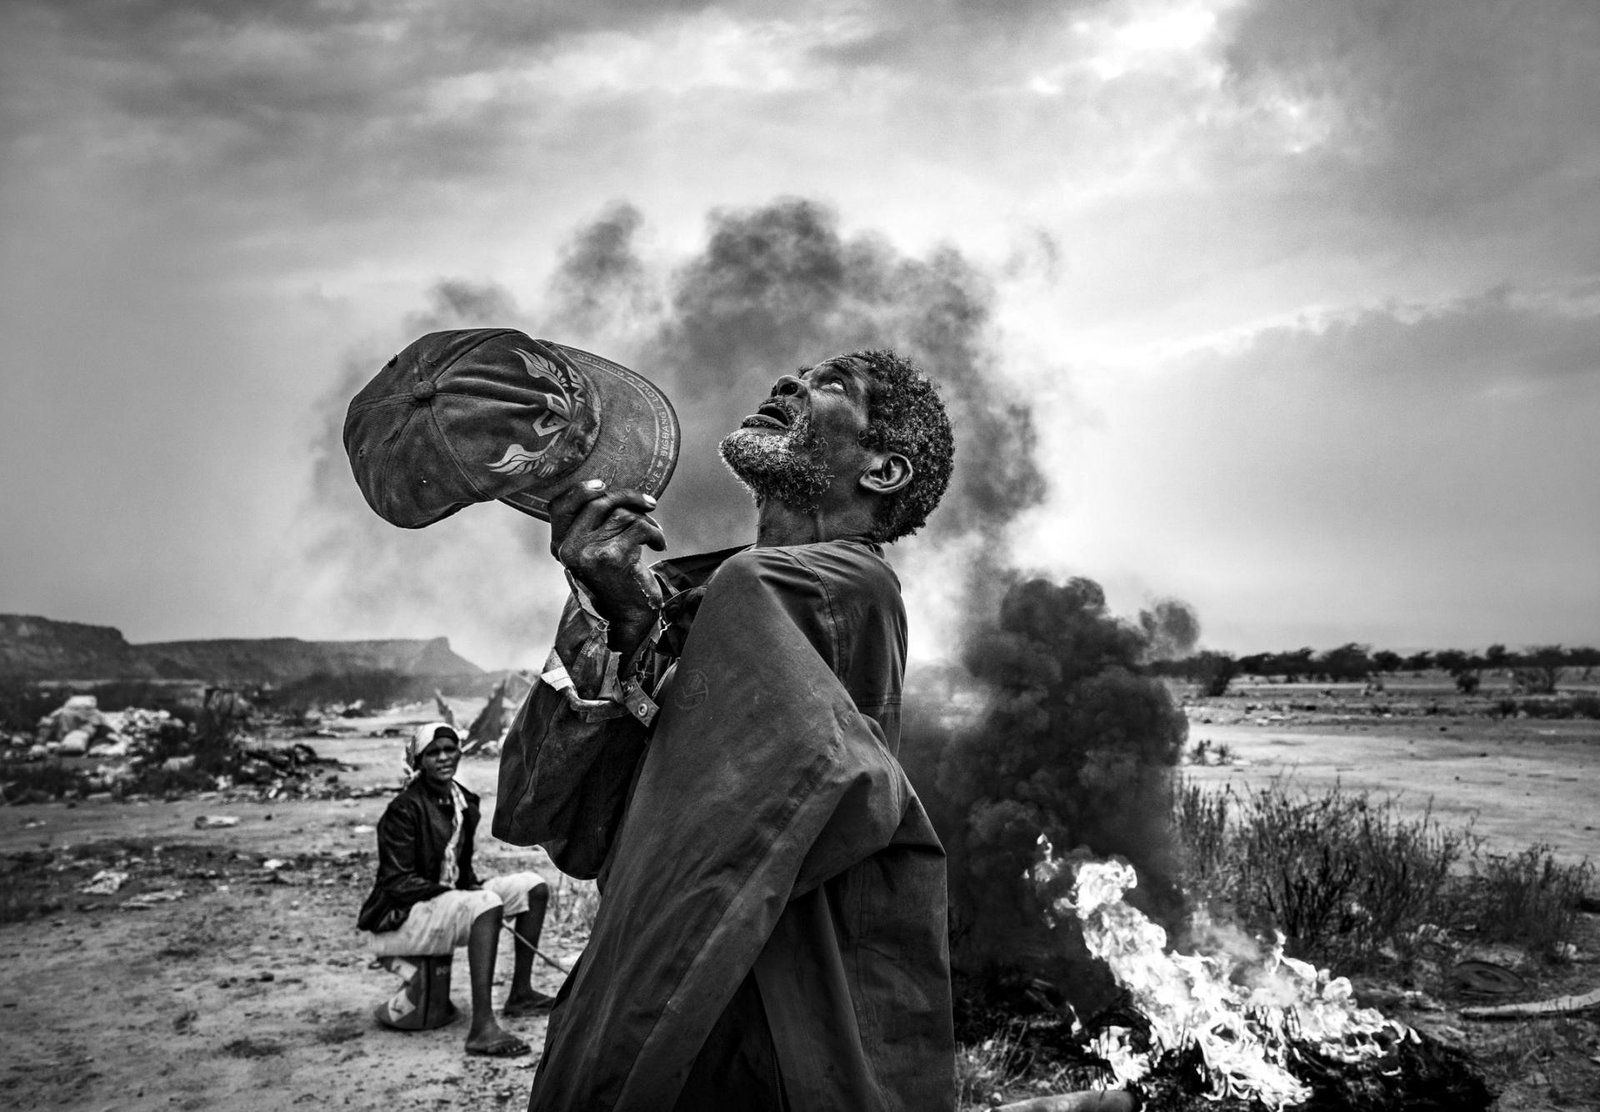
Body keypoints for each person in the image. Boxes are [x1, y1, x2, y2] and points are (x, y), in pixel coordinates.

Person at [496, 350, 958, 1110]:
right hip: (662, 990)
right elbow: (554, 820)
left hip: (754, 1022)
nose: (788, 382)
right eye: (799, 372)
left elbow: (745, 836)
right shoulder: (693, 601)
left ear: (883, 471)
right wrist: (621, 621)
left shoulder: (844, 587)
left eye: (832, 384)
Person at [358, 722, 557, 1056]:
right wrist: (465, 896)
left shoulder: (464, 801)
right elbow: (397, 883)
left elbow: (459, 871)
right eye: (433, 753)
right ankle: (482, 1028)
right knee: (485, 903)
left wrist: (468, 889)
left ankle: (521, 994)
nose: (443, 758)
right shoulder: (403, 809)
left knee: (532, 887)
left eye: (449, 750)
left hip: (444, 901)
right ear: (418, 761)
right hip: (402, 914)